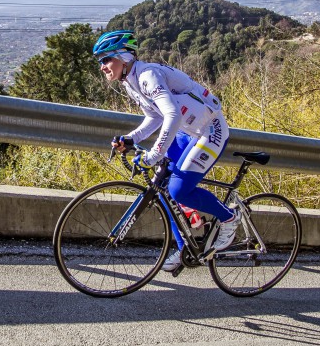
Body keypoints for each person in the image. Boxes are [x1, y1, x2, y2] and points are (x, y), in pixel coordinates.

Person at [92, 29, 241, 272]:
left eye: (106, 59)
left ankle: (229, 218)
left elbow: (171, 114)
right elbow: (154, 116)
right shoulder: (131, 82)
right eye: (101, 61)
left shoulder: (148, 76)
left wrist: (154, 154)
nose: (102, 66)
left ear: (124, 57)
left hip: (210, 130)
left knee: (179, 189)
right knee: (161, 186)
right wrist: (131, 138)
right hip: (188, 132)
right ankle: (185, 249)